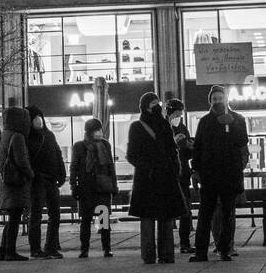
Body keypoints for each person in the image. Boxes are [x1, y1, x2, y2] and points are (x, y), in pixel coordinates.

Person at [190, 85, 248, 262]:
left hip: (229, 175)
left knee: (227, 214)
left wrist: (231, 124)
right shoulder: (205, 122)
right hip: (209, 176)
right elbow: (198, 147)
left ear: (226, 100)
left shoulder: (237, 119)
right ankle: (201, 251)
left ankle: (224, 249)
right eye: (214, 99)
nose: (217, 101)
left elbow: (242, 141)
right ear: (210, 101)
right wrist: (196, 169)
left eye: (220, 98)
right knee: (205, 213)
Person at [127, 93, 187, 264]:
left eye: (157, 102)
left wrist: (175, 168)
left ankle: (167, 254)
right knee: (147, 219)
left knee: (166, 217)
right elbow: (132, 155)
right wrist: (149, 167)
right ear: (145, 106)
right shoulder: (137, 127)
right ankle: (149, 255)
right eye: (153, 103)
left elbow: (172, 150)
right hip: (147, 179)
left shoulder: (164, 125)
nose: (156, 106)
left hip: (165, 178)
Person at [70, 118, 116, 258]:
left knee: (104, 219)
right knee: (86, 219)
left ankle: (106, 248)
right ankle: (84, 249)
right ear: (89, 132)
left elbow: (110, 167)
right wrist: (74, 185)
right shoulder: (79, 146)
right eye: (97, 130)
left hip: (103, 186)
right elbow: (74, 167)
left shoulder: (105, 145)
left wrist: (114, 185)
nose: (99, 132)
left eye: (100, 129)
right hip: (86, 187)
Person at [25, 105, 66, 259]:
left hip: (51, 180)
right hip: (37, 181)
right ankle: (35, 249)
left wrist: (61, 173)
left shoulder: (49, 135)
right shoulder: (26, 138)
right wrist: (33, 175)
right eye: (35, 117)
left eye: (40, 116)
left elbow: (58, 154)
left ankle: (51, 246)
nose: (38, 120)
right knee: (36, 215)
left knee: (55, 214)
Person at [0, 105, 35, 261]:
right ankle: (10, 251)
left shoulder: (4, 135)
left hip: (6, 182)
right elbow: (21, 160)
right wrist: (30, 174)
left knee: (12, 217)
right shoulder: (17, 137)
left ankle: (3, 250)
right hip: (16, 183)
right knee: (14, 218)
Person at [168, 98, 196, 254]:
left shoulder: (182, 128)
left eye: (180, 114)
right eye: (176, 114)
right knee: (170, 211)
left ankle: (184, 243)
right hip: (171, 175)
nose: (178, 117)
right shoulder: (165, 127)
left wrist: (189, 146)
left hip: (183, 174)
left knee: (186, 210)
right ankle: (168, 244)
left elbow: (188, 151)